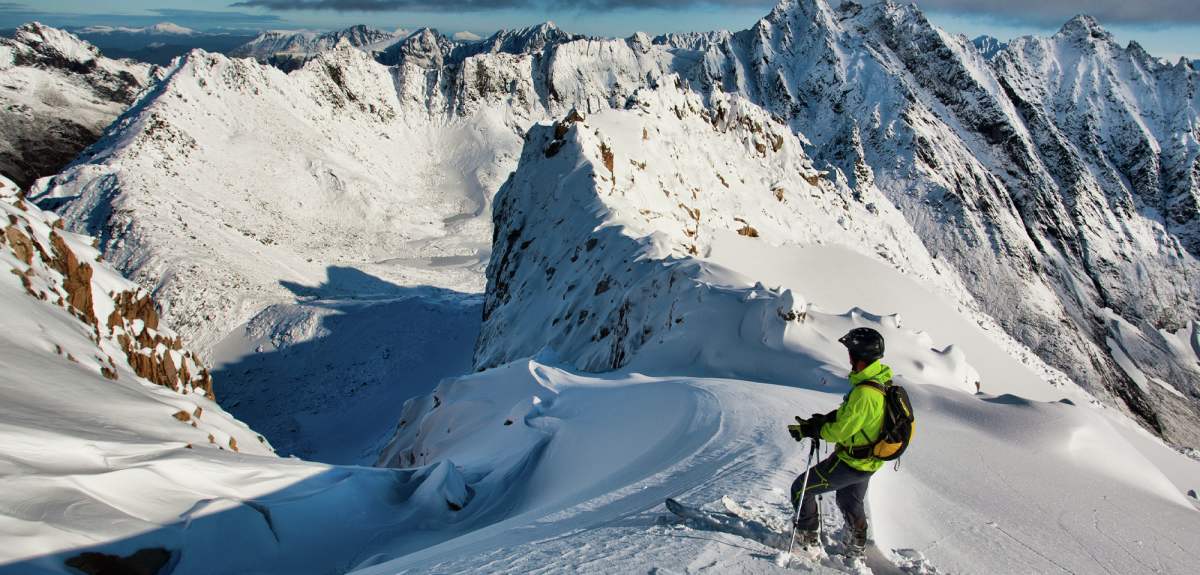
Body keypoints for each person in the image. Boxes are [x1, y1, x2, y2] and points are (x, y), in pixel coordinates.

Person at [787, 327, 893, 558]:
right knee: (848, 499)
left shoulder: (865, 393)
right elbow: (855, 419)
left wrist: (814, 429)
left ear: (859, 357)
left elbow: (840, 431)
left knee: (801, 489)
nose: (848, 358)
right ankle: (855, 545)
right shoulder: (880, 382)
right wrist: (823, 420)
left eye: (851, 353)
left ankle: (807, 540)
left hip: (851, 461)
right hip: (869, 462)